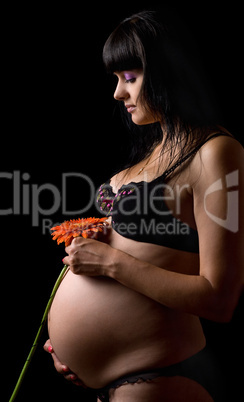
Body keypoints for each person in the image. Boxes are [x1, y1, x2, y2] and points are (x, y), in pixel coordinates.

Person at [44, 10, 243, 402]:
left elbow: (220, 297)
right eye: (117, 80)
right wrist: (77, 353)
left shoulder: (217, 152)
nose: (119, 93)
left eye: (130, 78)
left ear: (167, 72)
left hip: (161, 377)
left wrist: (109, 263)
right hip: (117, 384)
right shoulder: (148, 157)